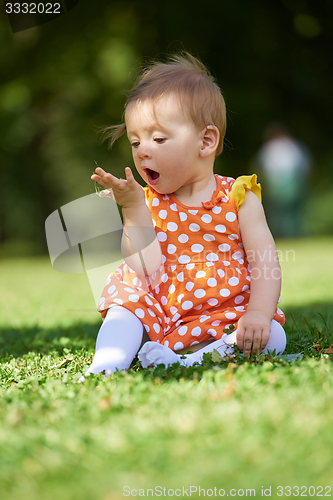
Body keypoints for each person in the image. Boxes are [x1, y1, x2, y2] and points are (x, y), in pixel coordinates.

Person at [81, 53, 286, 378]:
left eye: (158, 139)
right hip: (158, 308)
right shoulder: (145, 201)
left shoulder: (238, 197)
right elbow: (142, 266)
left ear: (206, 141)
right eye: (135, 142)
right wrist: (133, 208)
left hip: (223, 309)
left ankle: (190, 361)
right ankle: (106, 364)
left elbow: (265, 262)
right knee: (124, 308)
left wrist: (259, 313)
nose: (142, 150)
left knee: (273, 335)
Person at [254, 123, 312, 238]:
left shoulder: (268, 148)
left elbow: (262, 169)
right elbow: (306, 167)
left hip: (276, 186)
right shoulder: (295, 146)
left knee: (277, 215)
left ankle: (279, 237)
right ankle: (294, 236)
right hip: (295, 185)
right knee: (294, 214)